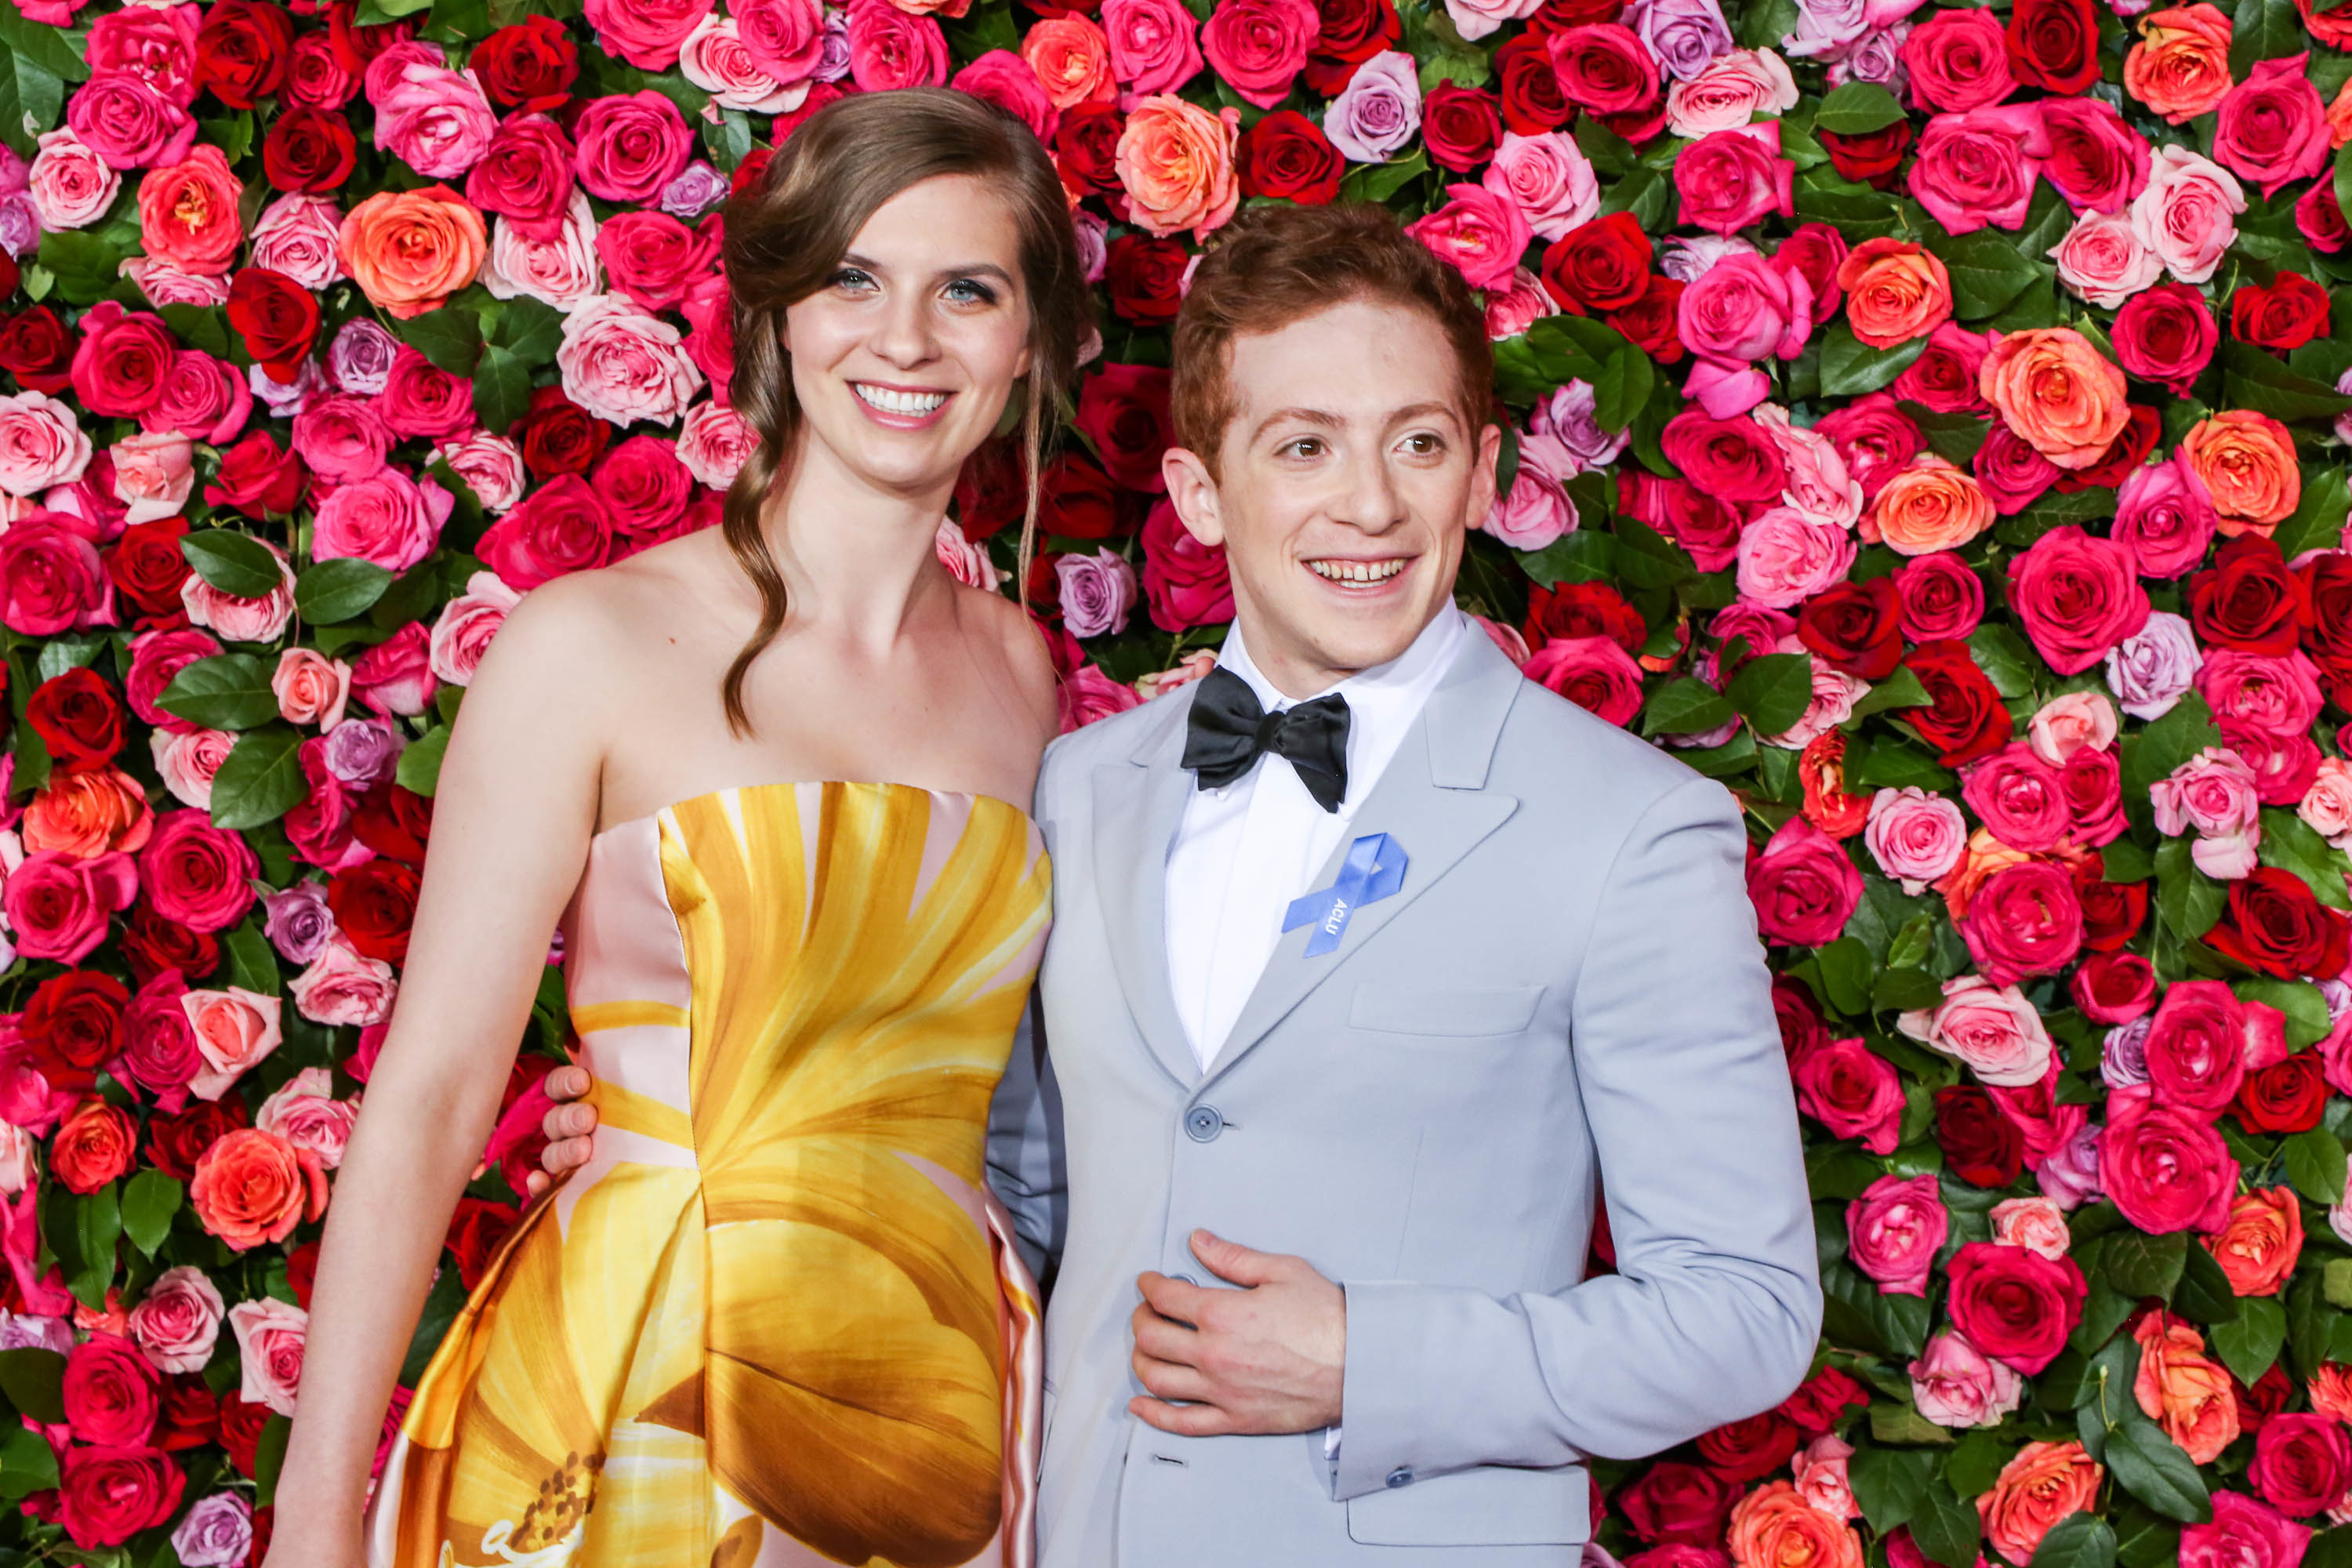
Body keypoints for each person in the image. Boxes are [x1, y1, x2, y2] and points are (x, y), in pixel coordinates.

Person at [543, 202, 1822, 1565]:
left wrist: (1367, 1360)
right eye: (1304, 446)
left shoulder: (1629, 830)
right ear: (1203, 492)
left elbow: (1746, 1311)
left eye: (1420, 444)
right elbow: (1018, 1201)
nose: (1371, 503)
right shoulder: (1082, 788)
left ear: (1484, 471)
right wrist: (718, 1130)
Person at [265, 88, 1089, 1568]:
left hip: (929, 1407)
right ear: (775, 319)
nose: (904, 341)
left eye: (965, 290)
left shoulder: (1023, 676)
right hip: (630, 1390)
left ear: (1029, 344)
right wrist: (314, 1521)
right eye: (853, 278)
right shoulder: (591, 641)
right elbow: (438, 1094)